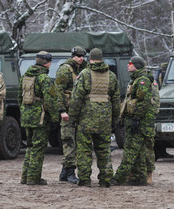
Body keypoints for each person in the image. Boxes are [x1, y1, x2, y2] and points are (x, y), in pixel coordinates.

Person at [68, 48, 120, 187]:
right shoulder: (112, 76)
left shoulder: (84, 74)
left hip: (86, 120)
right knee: (104, 150)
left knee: (84, 151)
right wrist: (114, 119)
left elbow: (76, 99)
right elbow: (116, 101)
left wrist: (72, 118)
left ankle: (84, 179)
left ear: (90, 59)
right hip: (105, 120)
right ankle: (106, 179)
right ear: (102, 59)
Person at [112, 56, 156, 186]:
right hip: (135, 120)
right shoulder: (136, 79)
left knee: (130, 151)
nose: (128, 65)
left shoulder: (142, 81)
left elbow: (144, 102)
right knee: (139, 152)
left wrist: (136, 118)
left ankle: (118, 178)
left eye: (130, 63)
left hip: (140, 122)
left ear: (136, 66)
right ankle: (140, 177)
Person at [19, 51, 59, 185]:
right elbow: (50, 100)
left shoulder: (25, 76)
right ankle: (33, 178)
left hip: (26, 117)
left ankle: (25, 177)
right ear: (47, 63)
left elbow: (19, 96)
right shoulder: (44, 79)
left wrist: (24, 112)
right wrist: (55, 118)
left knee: (30, 147)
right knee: (38, 148)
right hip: (40, 118)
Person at [54, 46, 88, 184]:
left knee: (74, 141)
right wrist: (62, 110)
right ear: (73, 55)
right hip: (68, 111)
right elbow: (58, 91)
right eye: (78, 56)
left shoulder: (82, 69)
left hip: (78, 111)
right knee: (69, 141)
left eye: (82, 56)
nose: (81, 58)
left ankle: (64, 172)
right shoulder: (65, 69)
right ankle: (70, 173)